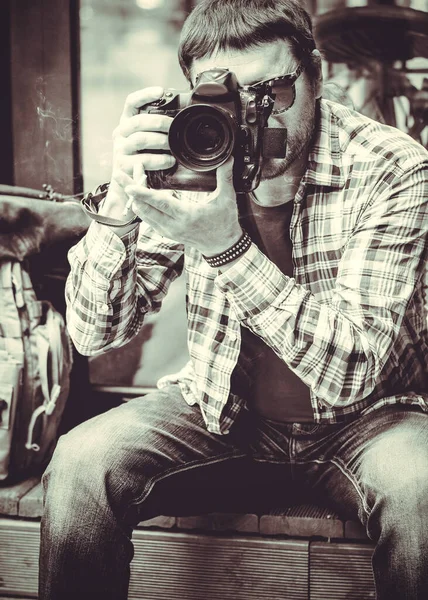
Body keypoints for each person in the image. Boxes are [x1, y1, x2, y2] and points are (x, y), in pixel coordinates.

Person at [39, 1, 428, 598]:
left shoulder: (393, 167)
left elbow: (350, 371)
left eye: (271, 91)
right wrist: (119, 204)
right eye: (228, 95)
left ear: (315, 76)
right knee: (83, 461)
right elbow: (94, 334)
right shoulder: (191, 156)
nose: (251, 114)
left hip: (371, 420)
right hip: (225, 415)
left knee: (423, 486)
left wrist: (226, 247)